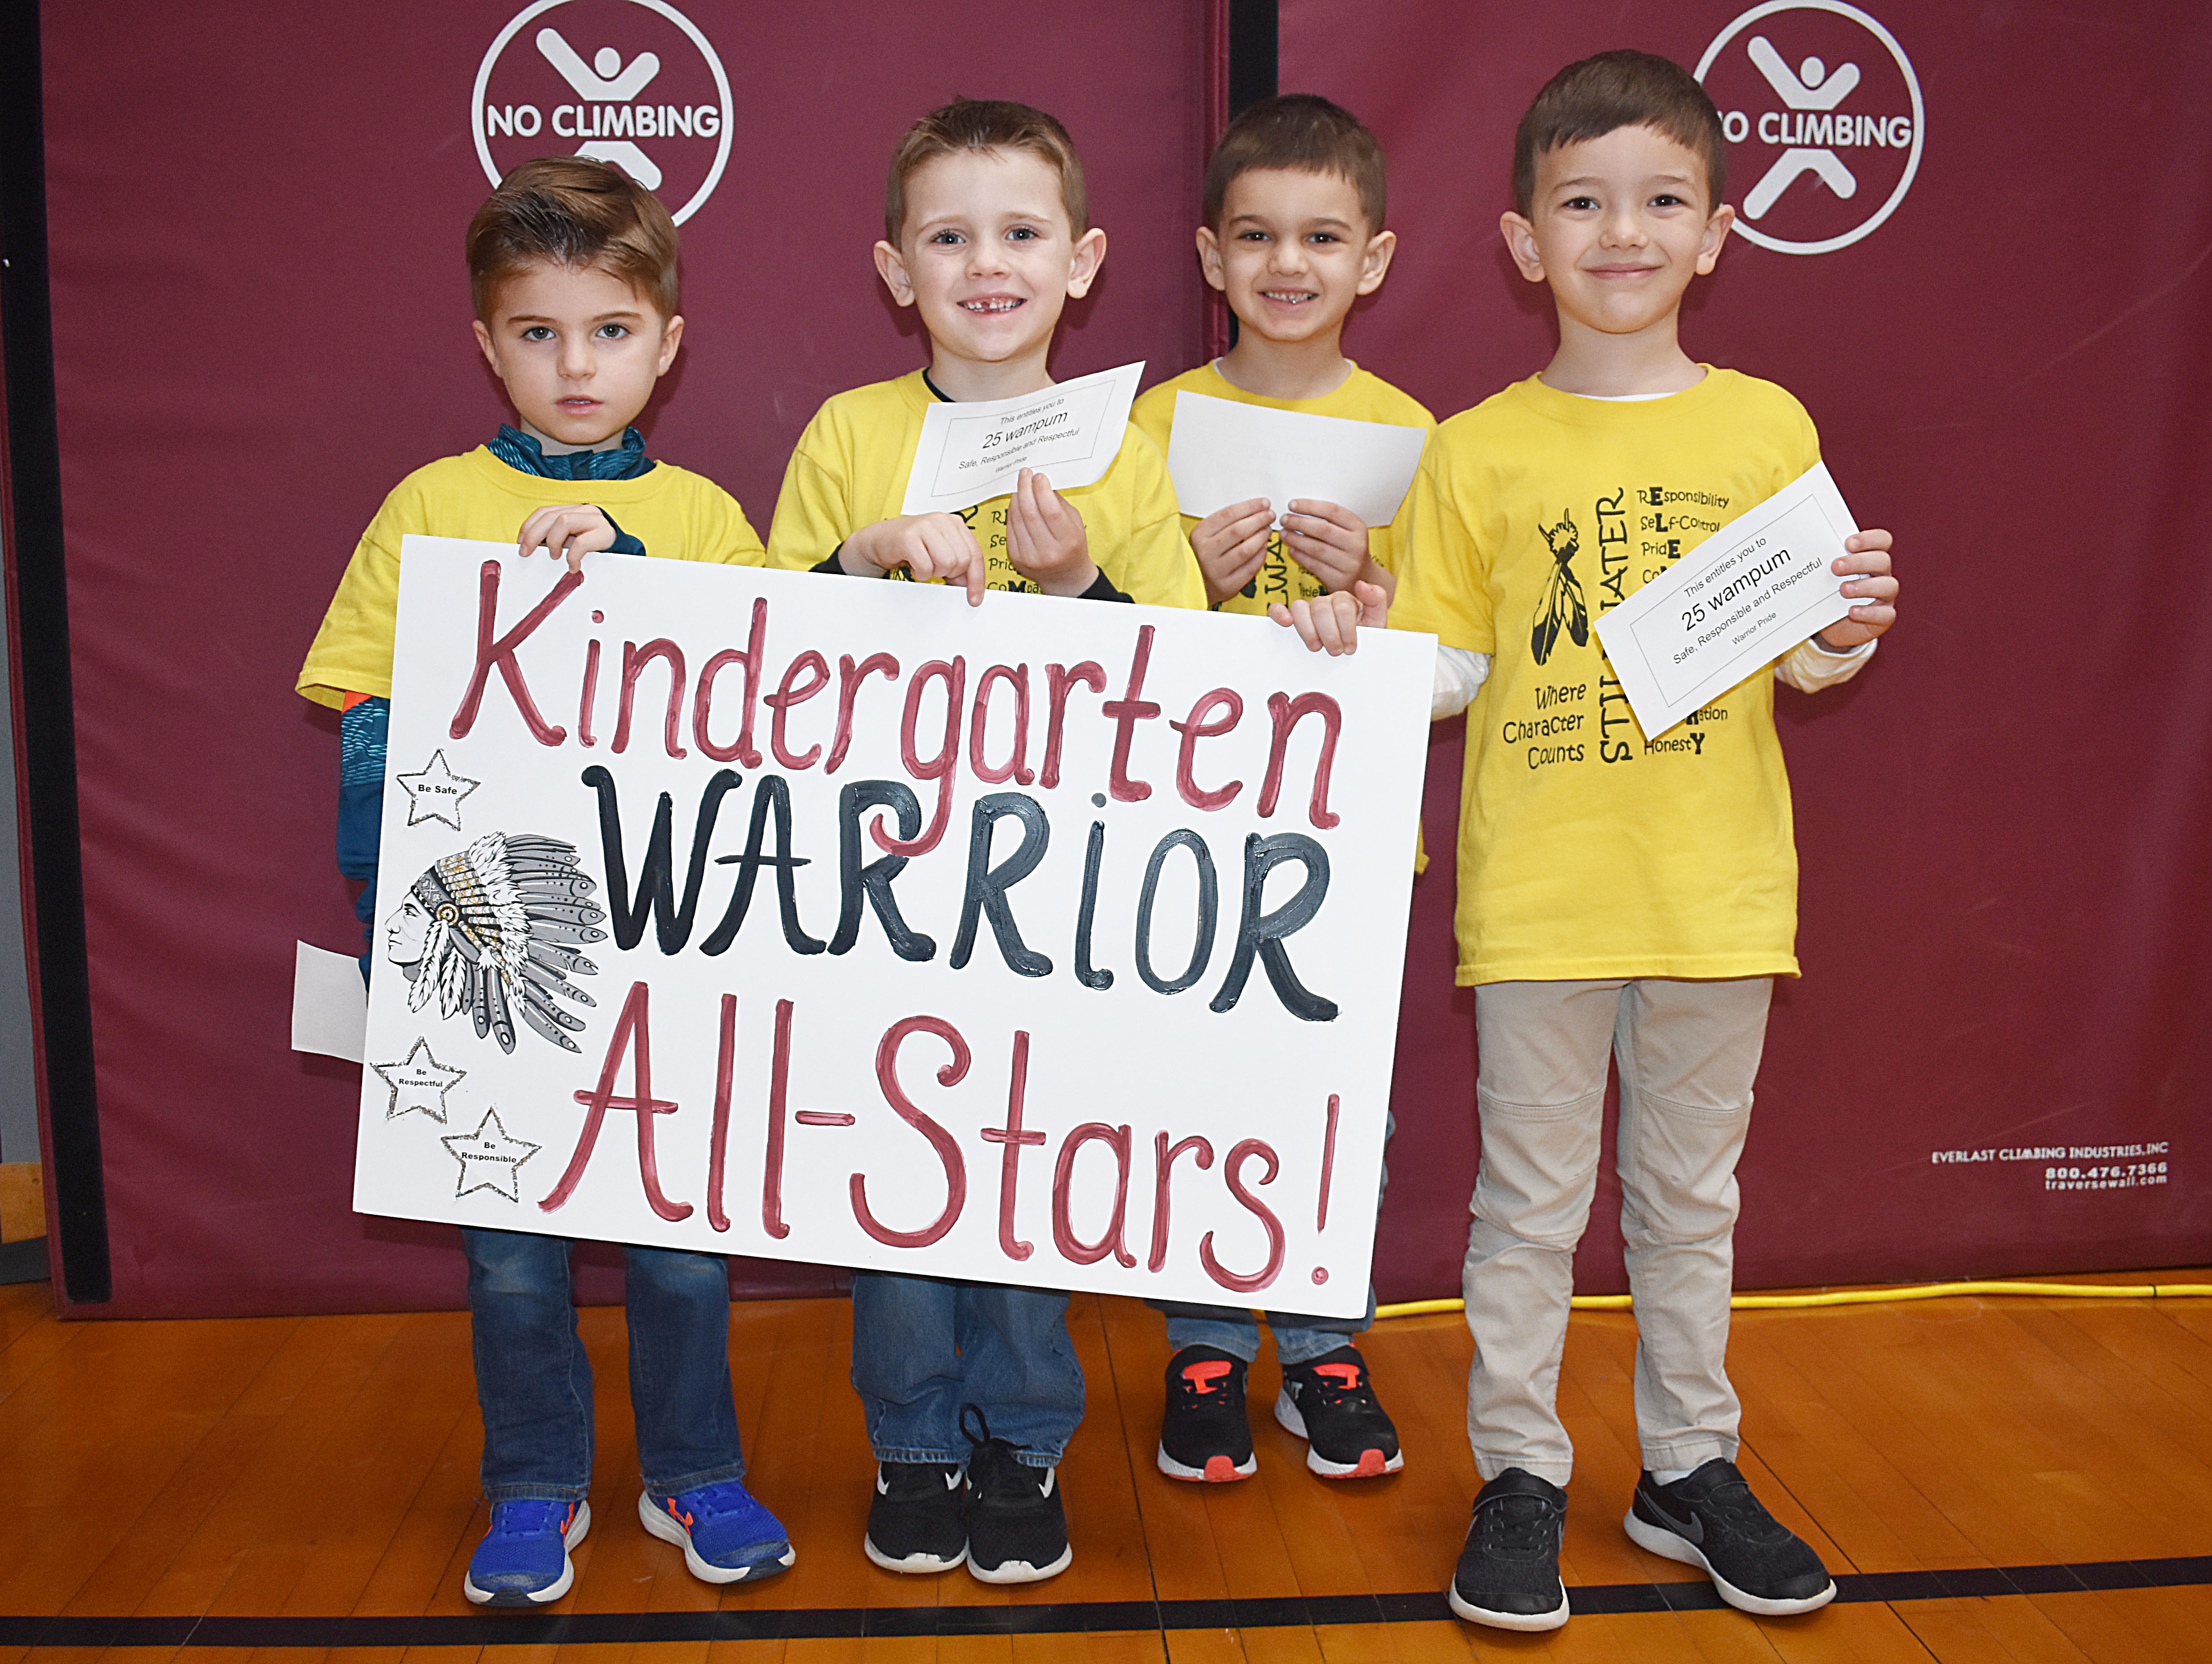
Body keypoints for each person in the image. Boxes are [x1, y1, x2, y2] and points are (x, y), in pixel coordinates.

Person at [1384, 52, 1901, 1630]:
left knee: (1694, 1205)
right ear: (1526, 239)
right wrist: (1343, 655)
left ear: (1718, 232)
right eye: (1585, 201)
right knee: (1529, 1207)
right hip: (1541, 894)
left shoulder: (1766, 427)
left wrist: (1846, 629)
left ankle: (1688, 1465)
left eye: (1662, 200)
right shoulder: (1477, 448)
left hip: (1716, 893)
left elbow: (1805, 650)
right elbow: (1449, 662)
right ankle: (1520, 1473)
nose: (1625, 231)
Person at [296, 156, 793, 1607]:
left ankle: (694, 1470)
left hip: (665, 955)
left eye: (612, 331)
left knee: (681, 1248)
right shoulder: (429, 504)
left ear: (670, 341)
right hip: (490, 954)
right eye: (539, 333)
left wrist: (627, 576)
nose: (577, 365)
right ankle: (532, 1485)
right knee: (513, 1254)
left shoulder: (704, 516)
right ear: (486, 341)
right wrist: (401, 919)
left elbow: (767, 718)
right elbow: (361, 708)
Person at [764, 96, 1202, 1585]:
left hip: (1058, 901)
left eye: (1020, 234)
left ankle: (1023, 1437)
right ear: (897, 271)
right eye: (949, 236)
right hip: (882, 891)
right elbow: (745, 676)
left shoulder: (1129, 458)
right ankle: (913, 1440)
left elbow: (1192, 701)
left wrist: (1079, 584)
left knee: (1028, 1170)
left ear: (1081, 261)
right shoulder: (849, 437)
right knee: (896, 1170)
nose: (986, 263)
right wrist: (862, 560)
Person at [1126, 93, 1428, 1487]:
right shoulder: (1148, 427)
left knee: (1334, 1104)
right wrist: (1191, 572)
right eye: (1256, 236)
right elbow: (1098, 645)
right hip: (1184, 832)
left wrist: (1373, 598)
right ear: (1209, 255)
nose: (1286, 263)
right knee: (1191, 1087)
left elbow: (1456, 659)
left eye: (1321, 236)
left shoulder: (1421, 436)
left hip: (1349, 841)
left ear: (1371, 259)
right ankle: (1202, 1345)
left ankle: (1323, 1350)